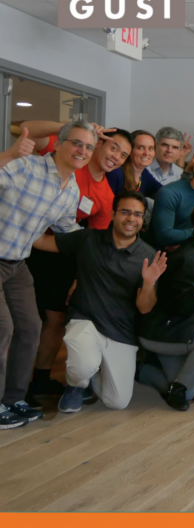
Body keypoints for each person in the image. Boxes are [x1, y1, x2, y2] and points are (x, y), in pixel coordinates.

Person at [30, 191, 163, 412]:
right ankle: (76, 384)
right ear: (112, 214)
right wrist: (18, 221)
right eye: (125, 212)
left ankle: (89, 378)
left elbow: (145, 307)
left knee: (117, 402)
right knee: (82, 367)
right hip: (85, 320)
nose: (131, 219)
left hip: (121, 331)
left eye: (138, 214)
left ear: (143, 219)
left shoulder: (149, 255)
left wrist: (149, 283)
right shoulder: (88, 238)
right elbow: (42, 242)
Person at [0, 122, 92, 429]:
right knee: (3, 328)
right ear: (59, 144)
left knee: (30, 327)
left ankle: (13, 399)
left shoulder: (71, 189)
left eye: (89, 147)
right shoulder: (26, 166)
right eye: (77, 143)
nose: (82, 151)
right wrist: (8, 154)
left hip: (17, 264)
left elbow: (68, 230)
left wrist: (103, 245)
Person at [26, 124, 126, 403]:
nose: (116, 157)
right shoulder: (70, 155)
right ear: (99, 143)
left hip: (59, 254)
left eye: (123, 155)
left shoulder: (106, 195)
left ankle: (39, 379)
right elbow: (27, 130)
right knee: (20, 321)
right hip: (21, 245)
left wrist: (79, 278)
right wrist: (70, 128)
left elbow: (93, 245)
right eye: (114, 147)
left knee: (54, 319)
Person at [137, 202, 194, 411]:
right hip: (161, 331)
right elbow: (182, 308)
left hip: (179, 327)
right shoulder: (188, 257)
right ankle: (174, 387)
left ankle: (141, 370)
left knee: (189, 393)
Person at [107, 130, 163, 199]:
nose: (146, 153)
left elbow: (165, 193)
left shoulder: (144, 174)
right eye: (140, 148)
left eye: (150, 148)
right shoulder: (115, 173)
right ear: (129, 151)